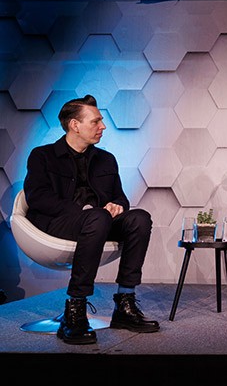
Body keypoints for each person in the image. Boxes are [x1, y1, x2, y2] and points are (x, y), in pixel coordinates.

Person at [23, 95, 159, 345]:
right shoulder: (42, 156)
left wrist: (117, 206)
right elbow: (38, 197)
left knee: (140, 218)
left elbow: (121, 198)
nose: (103, 126)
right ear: (75, 125)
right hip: (58, 224)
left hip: (99, 222)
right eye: (96, 121)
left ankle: (125, 303)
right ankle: (75, 310)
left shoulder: (106, 159)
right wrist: (85, 212)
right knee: (96, 216)